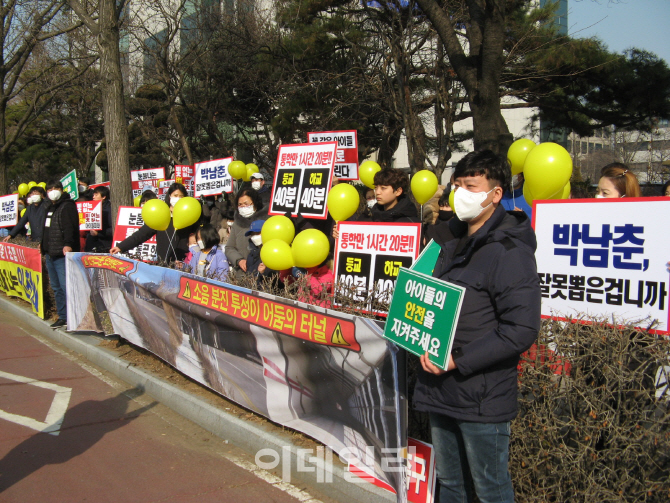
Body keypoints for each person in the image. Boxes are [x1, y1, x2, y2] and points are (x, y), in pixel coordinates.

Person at [414, 150, 541, 503]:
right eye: (457, 186)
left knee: (491, 491)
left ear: (496, 194)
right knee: (449, 485)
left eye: (471, 186)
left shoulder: (509, 250)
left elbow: (520, 328)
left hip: (482, 396)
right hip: (439, 387)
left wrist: (458, 360)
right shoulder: (445, 242)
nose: (461, 195)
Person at [110, 183, 199, 263]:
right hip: (164, 263)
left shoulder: (190, 216)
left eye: (181, 196)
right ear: (169, 196)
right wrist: (121, 246)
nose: (178, 198)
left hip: (185, 263)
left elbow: (201, 234)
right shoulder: (161, 215)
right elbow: (142, 234)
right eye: (175, 195)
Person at [40, 179, 81, 329]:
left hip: (62, 253)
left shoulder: (67, 206)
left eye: (55, 188)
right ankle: (62, 316)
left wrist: (68, 244)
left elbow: (70, 227)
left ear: (61, 189)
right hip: (50, 252)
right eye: (49, 189)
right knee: (56, 287)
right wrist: (42, 244)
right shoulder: (50, 207)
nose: (52, 192)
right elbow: (47, 229)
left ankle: (73, 317)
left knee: (66, 286)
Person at [225, 188, 268, 272]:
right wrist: (239, 260)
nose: (243, 207)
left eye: (246, 203)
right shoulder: (237, 224)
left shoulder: (267, 220)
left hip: (263, 271)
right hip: (242, 273)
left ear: (255, 203)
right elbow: (229, 248)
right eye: (240, 204)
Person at [85, 185, 113, 253]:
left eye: (96, 195)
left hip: (104, 246)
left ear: (103, 197)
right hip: (91, 245)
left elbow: (112, 229)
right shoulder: (90, 208)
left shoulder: (109, 210)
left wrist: (98, 233)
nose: (93, 197)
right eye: (93, 194)